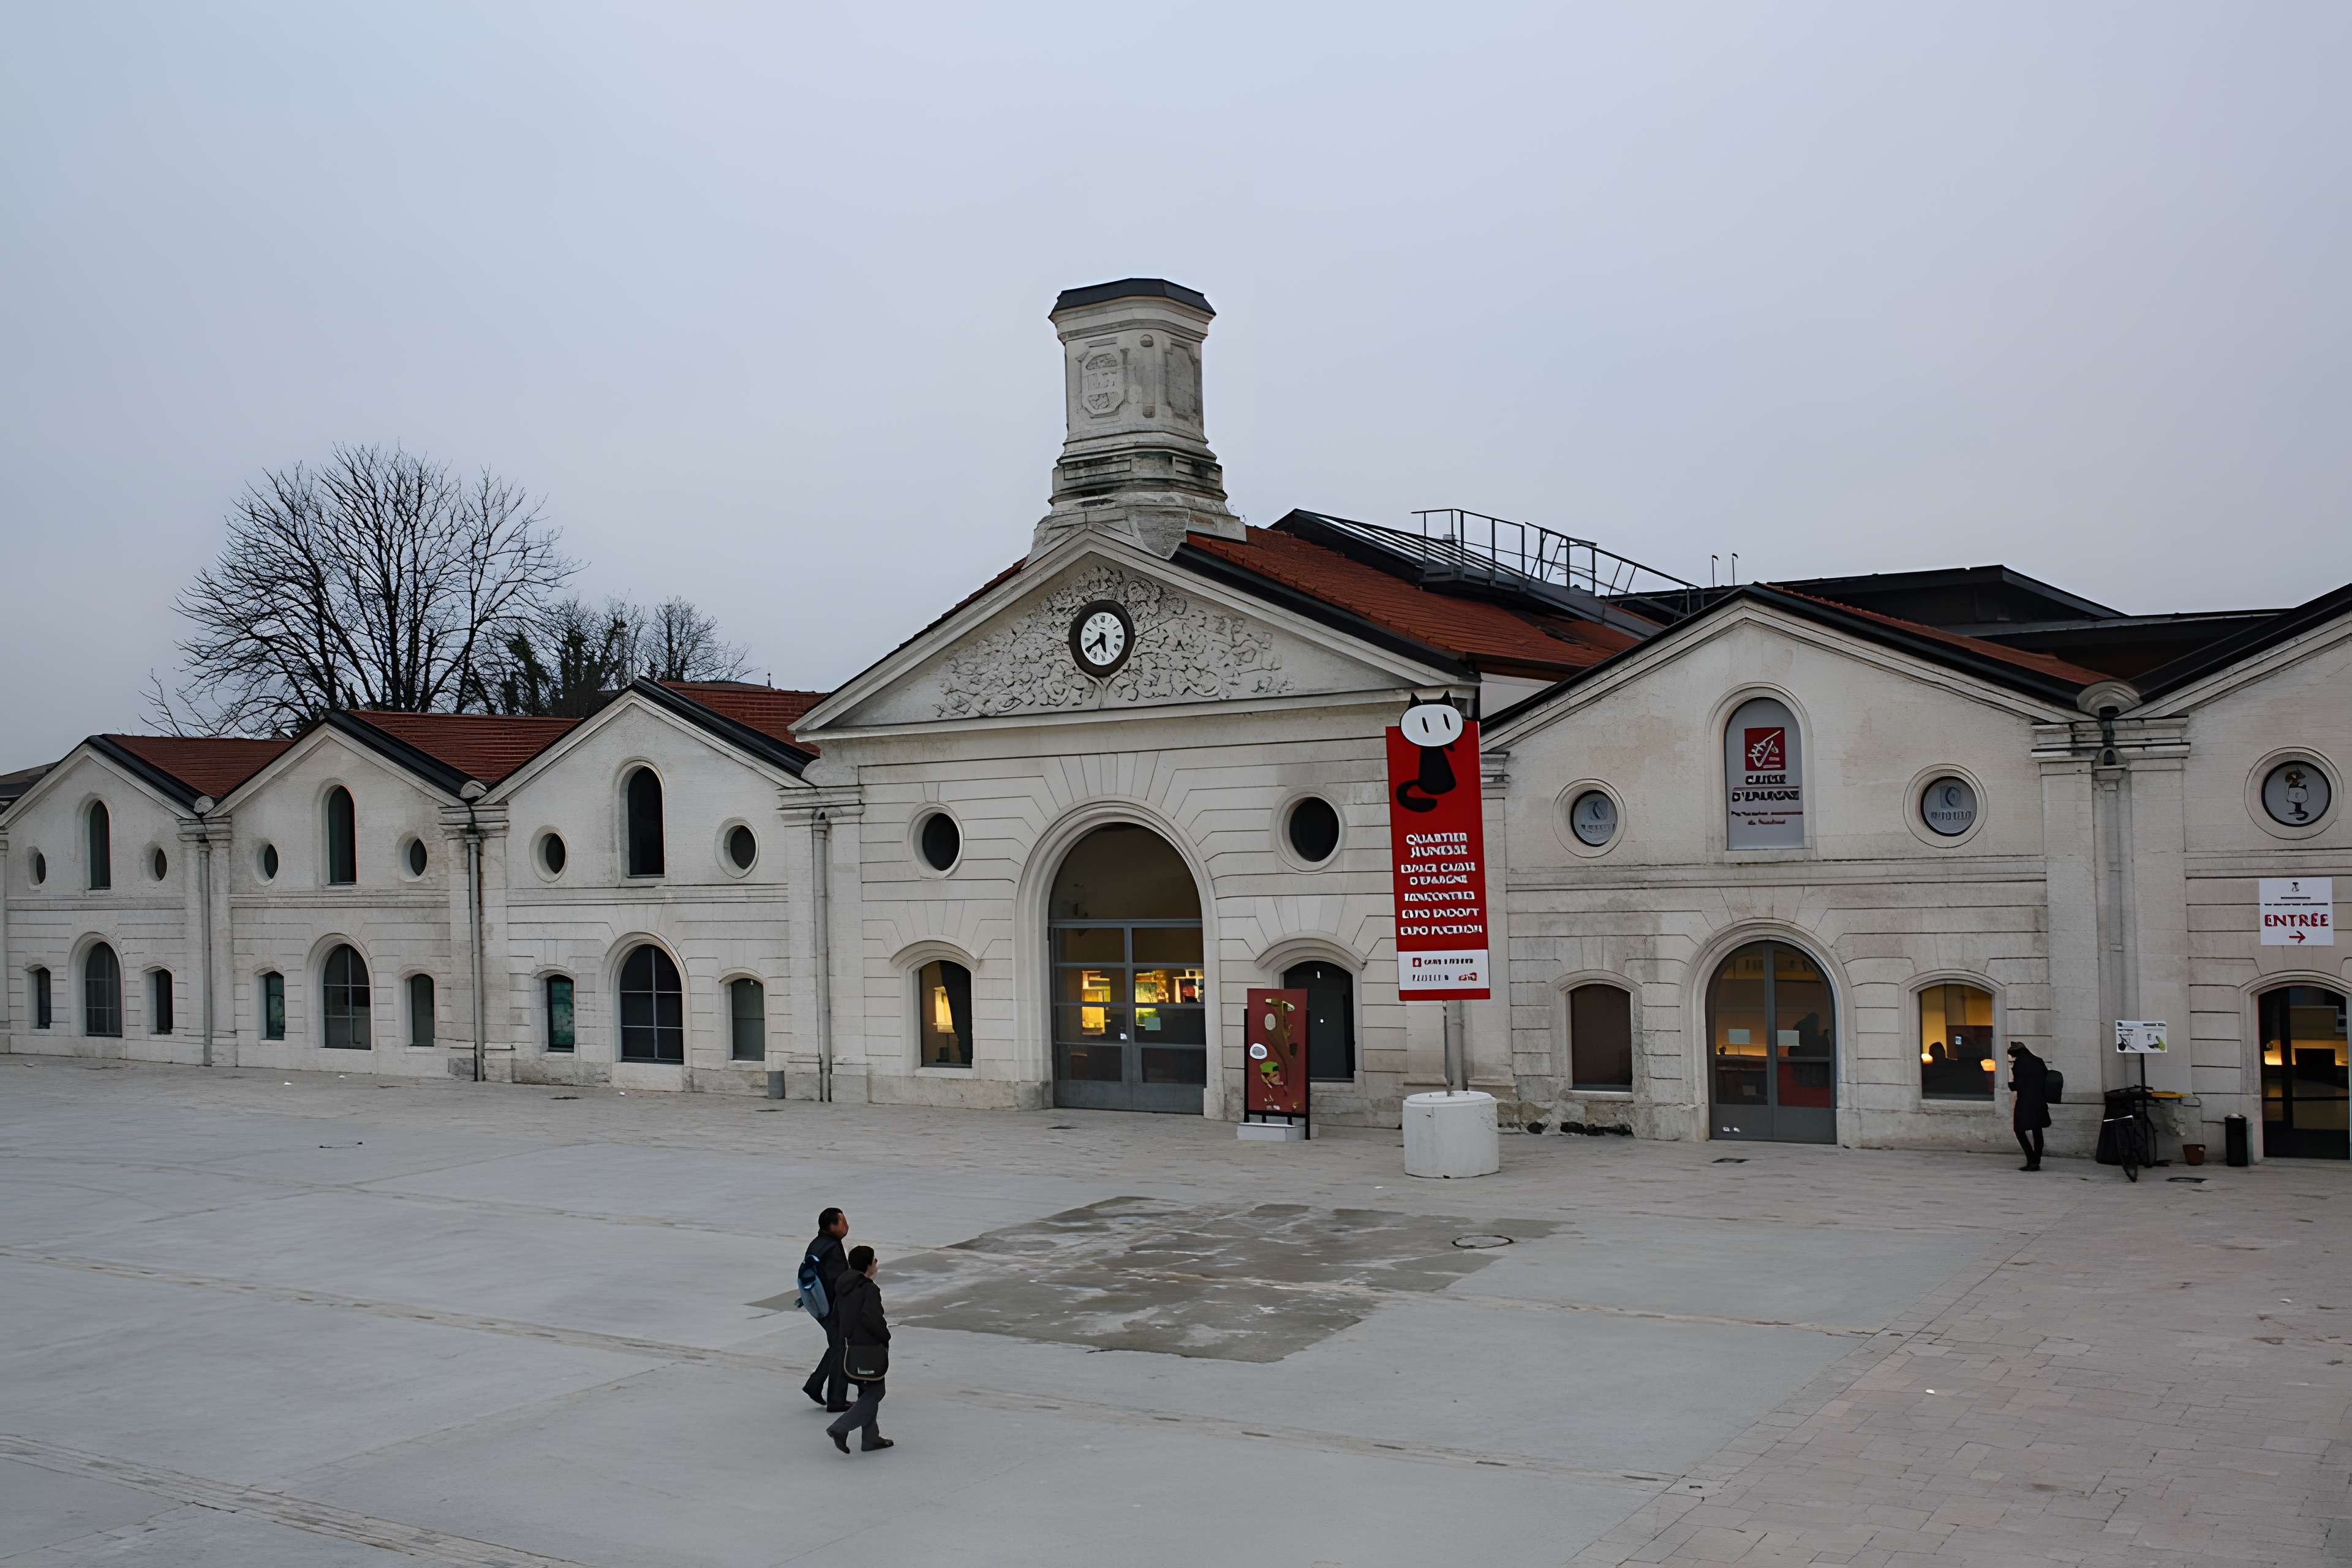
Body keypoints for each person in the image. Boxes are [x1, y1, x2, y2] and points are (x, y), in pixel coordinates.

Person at [826, 1245, 893, 1454]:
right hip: (869, 1346)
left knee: (867, 1389)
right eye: (874, 1261)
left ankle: (871, 1438)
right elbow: (872, 1319)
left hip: (851, 1344)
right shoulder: (869, 1289)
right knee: (876, 1390)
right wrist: (886, 1337)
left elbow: (837, 1315)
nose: (876, 1264)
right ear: (867, 1265)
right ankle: (841, 1427)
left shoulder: (844, 1284)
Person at [801, 1207, 851, 1413]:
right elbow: (840, 1281)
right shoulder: (832, 1248)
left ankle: (814, 1385)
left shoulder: (817, 1244)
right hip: (833, 1308)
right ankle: (836, 1400)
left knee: (837, 1345)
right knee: (841, 1349)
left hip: (819, 1305)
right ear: (832, 1225)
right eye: (843, 1222)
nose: (847, 1226)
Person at [2007, 1042, 2051, 1170]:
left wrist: (2012, 1084)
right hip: (2039, 1101)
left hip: (2025, 1102)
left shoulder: (2018, 1065)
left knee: (2019, 1130)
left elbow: (2017, 1085)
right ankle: (2036, 1160)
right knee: (2037, 1131)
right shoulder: (2038, 1061)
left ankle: (2031, 1159)